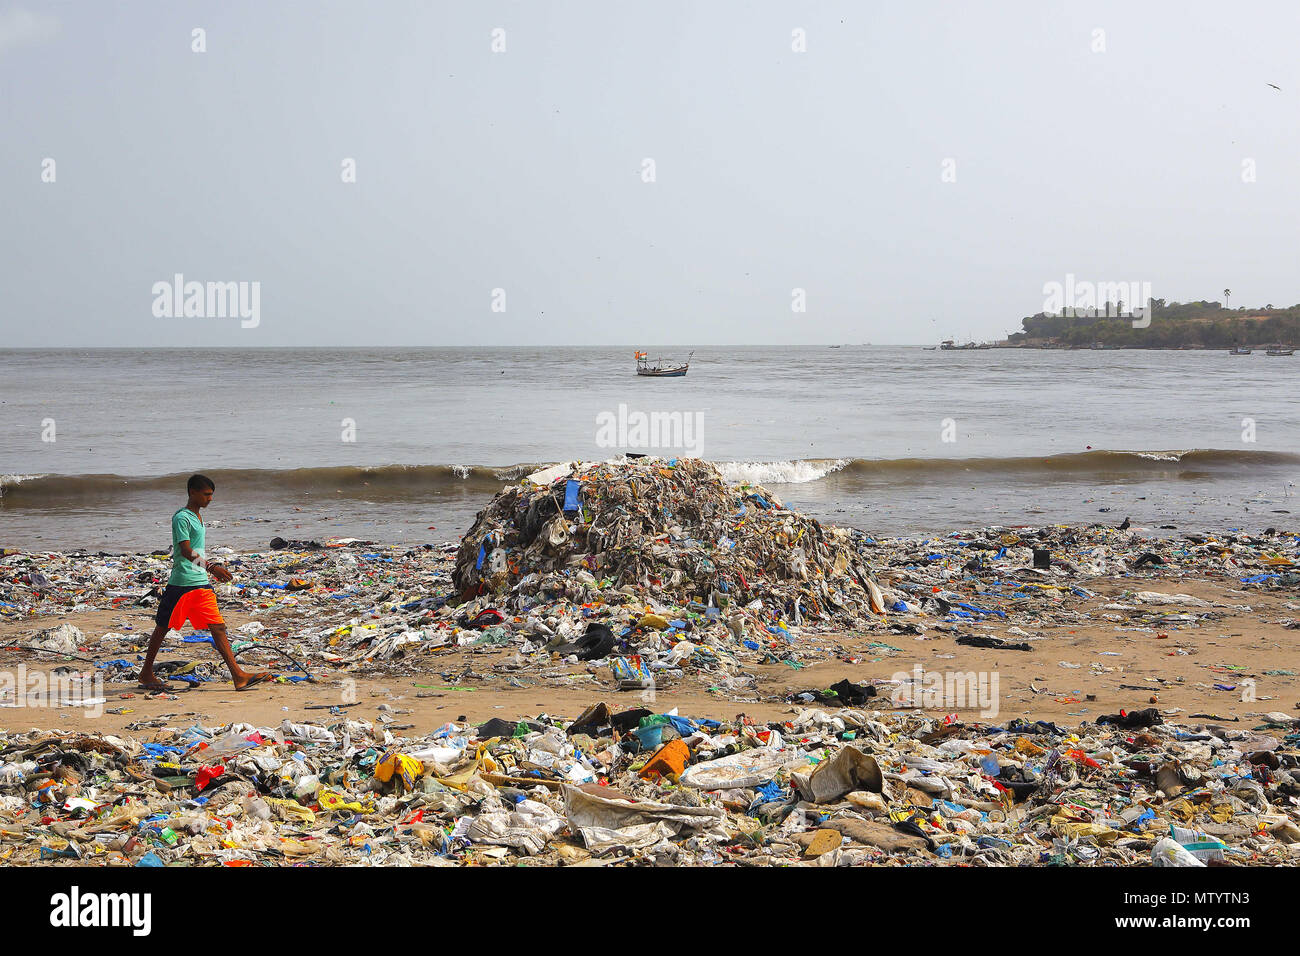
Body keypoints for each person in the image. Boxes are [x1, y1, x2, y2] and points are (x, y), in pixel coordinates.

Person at [137, 474, 271, 692]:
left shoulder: (197, 517)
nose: (210, 499)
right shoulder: (182, 518)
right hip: (182, 582)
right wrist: (211, 568)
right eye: (206, 494)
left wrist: (207, 571)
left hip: (198, 582)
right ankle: (146, 673)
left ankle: (238, 676)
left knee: (217, 627)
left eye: (211, 495)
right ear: (193, 492)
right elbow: (186, 551)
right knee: (162, 627)